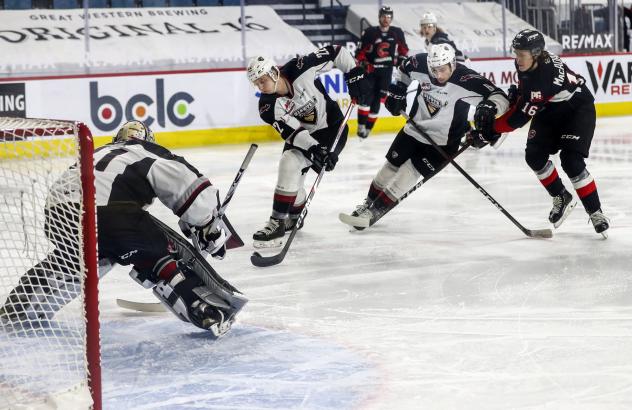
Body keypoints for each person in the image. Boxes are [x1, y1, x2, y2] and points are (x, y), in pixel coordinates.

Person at [0, 121, 246, 337]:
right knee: (157, 252)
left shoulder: (97, 151)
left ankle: (18, 309)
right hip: (108, 214)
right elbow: (185, 182)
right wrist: (206, 226)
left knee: (82, 260)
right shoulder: (145, 150)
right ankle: (204, 309)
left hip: (58, 215)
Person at [339, 44, 509, 229]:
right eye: (434, 70)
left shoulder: (466, 79)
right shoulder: (419, 62)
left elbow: (500, 97)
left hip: (443, 143)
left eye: (443, 70)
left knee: (409, 172)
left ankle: (377, 210)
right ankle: (367, 204)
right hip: (415, 129)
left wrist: (489, 109)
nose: (438, 75)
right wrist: (398, 90)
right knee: (390, 166)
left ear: (452, 64)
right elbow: (403, 68)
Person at [474, 29, 609, 237]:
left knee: (571, 161)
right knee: (534, 156)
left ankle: (596, 212)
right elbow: (524, 94)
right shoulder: (529, 64)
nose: (517, 59)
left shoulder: (545, 79)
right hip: (549, 108)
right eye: (516, 53)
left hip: (576, 109)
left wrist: (490, 129)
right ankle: (561, 196)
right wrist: (517, 96)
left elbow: (518, 118)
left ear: (536, 53)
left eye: (521, 54)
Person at [247, 45, 368, 248]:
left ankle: (276, 222)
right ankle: (293, 217)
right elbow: (292, 132)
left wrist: (354, 72)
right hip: (304, 137)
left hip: (332, 129)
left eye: (263, 80)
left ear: (274, 72)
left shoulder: (301, 67)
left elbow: (336, 51)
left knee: (290, 162)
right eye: (256, 83)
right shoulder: (267, 105)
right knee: (290, 169)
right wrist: (314, 148)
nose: (260, 86)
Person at [355, 5, 409, 139]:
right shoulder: (370, 32)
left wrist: (401, 60)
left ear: (392, 19)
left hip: (386, 72)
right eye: (384, 16)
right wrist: (363, 63)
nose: (386, 19)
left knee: (377, 101)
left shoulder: (396, 32)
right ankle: (361, 126)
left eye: (389, 17)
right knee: (365, 98)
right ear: (379, 17)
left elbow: (404, 50)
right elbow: (359, 52)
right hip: (371, 71)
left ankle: (368, 128)